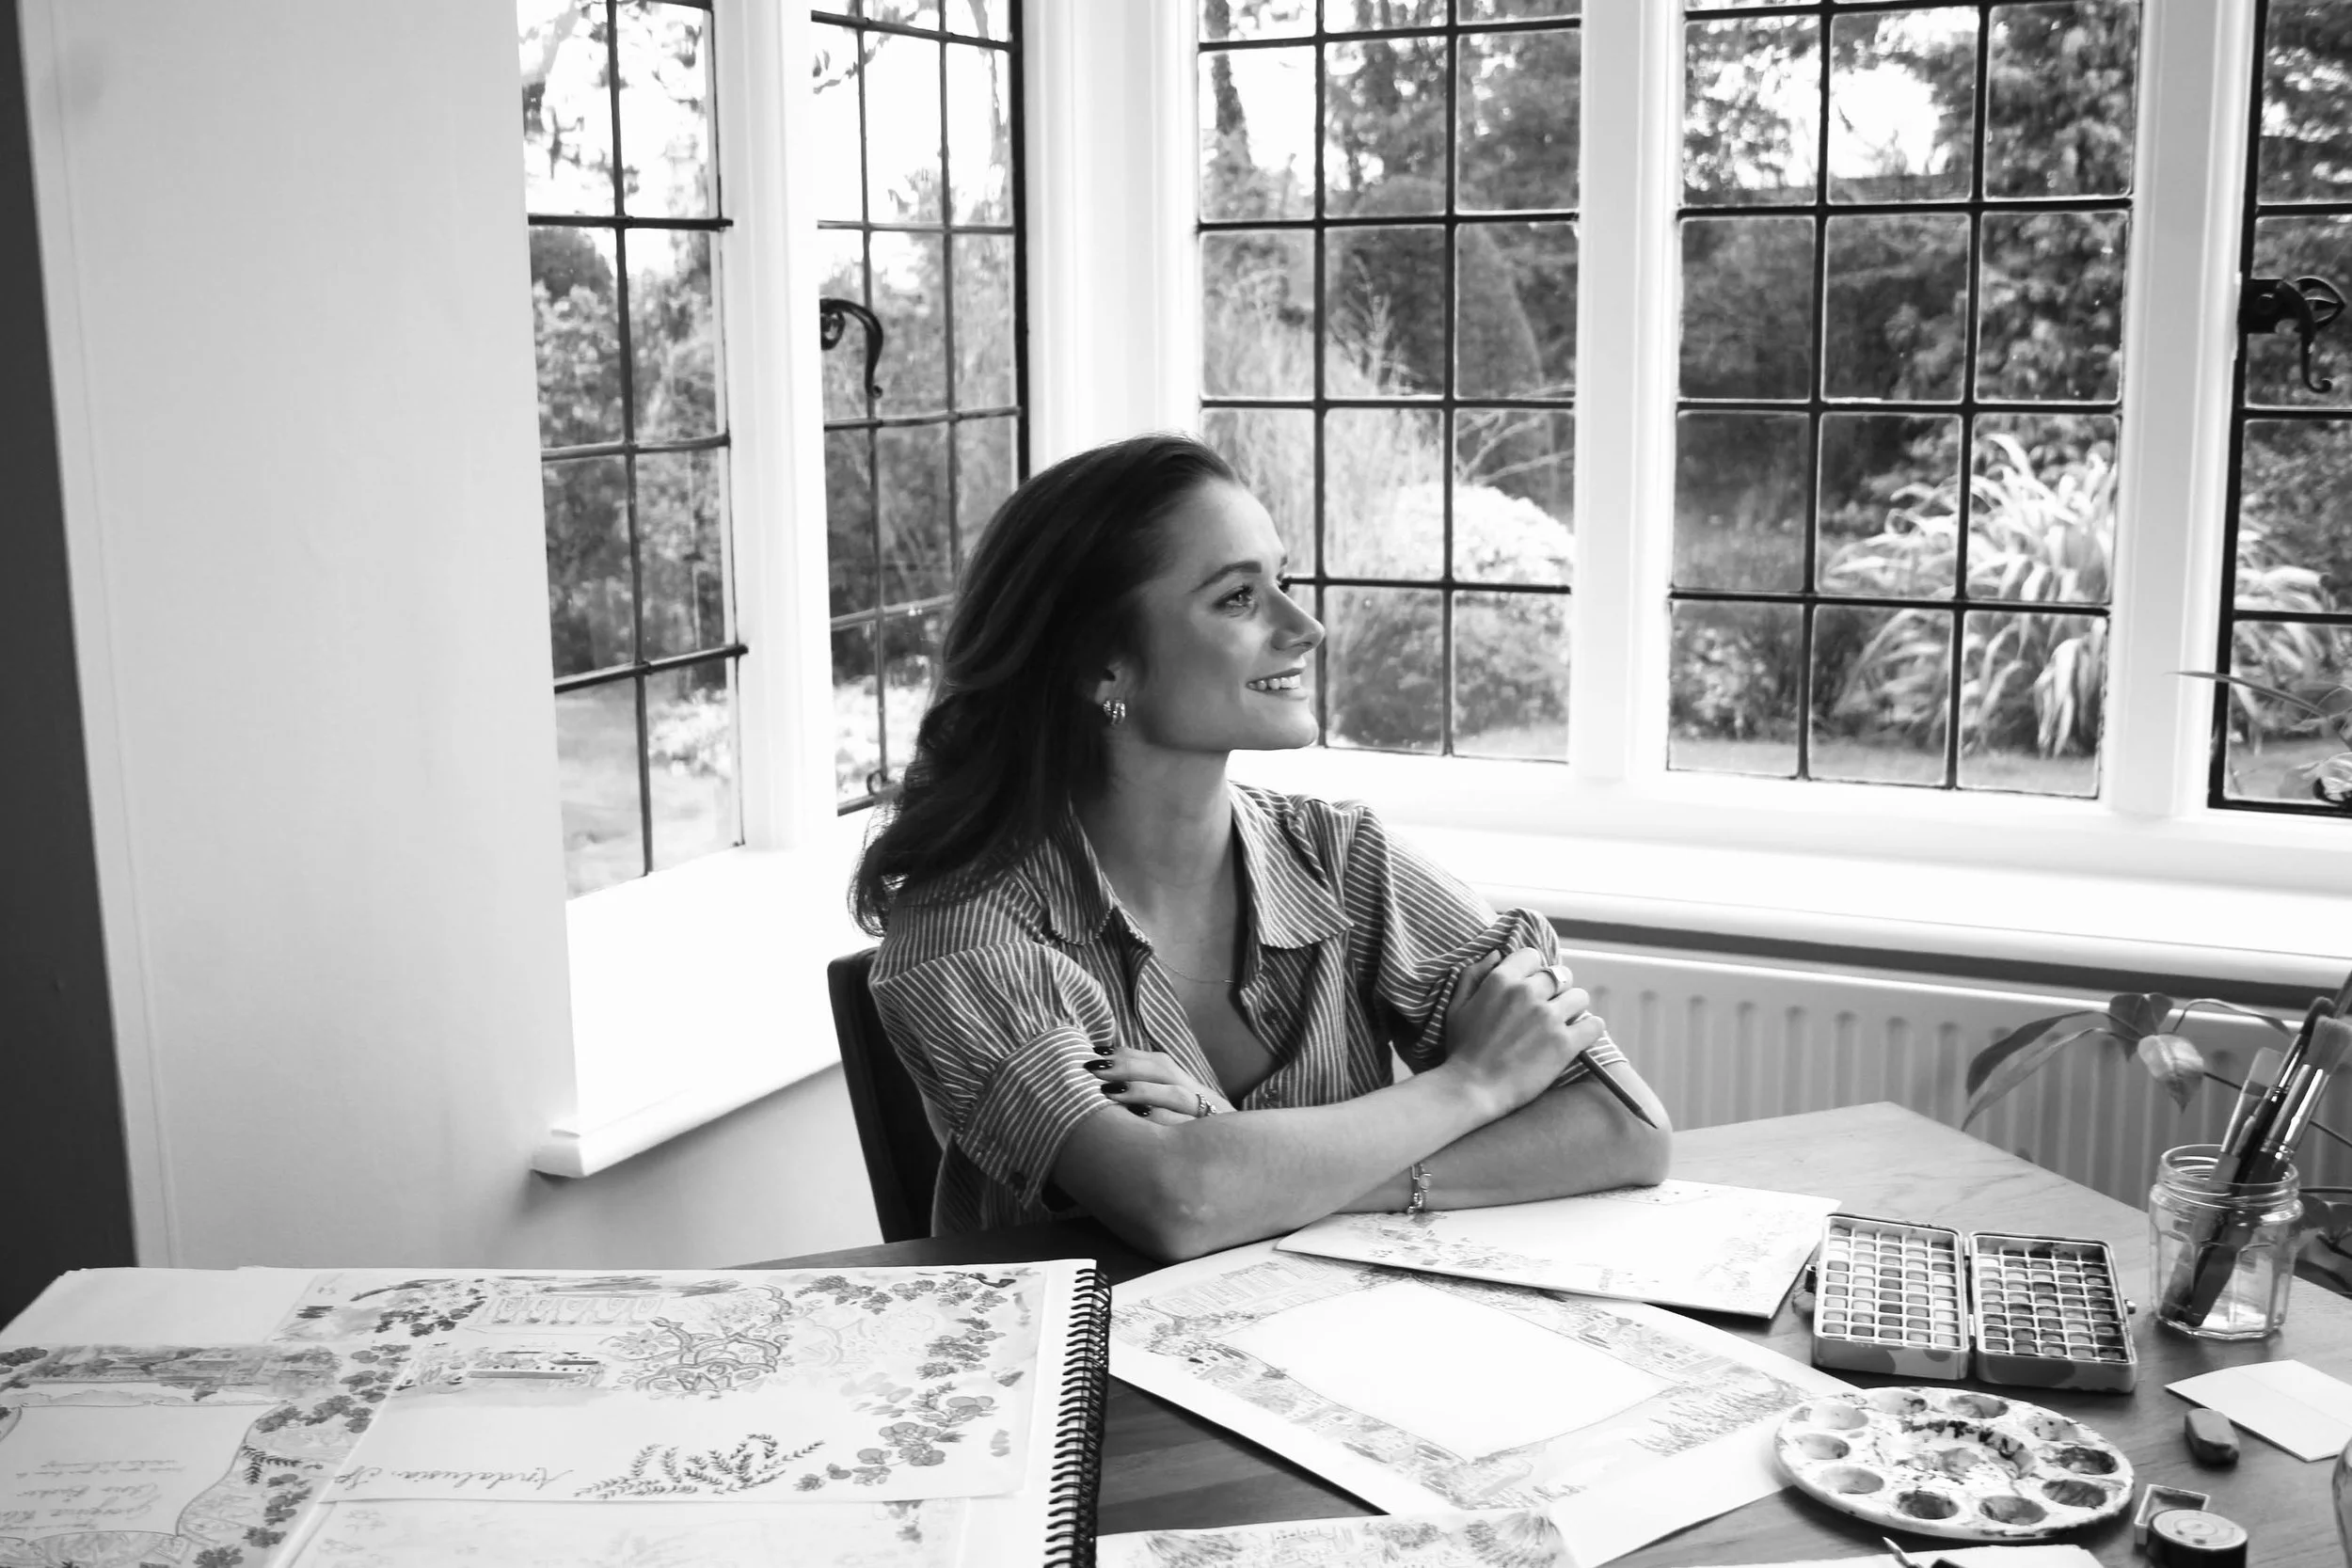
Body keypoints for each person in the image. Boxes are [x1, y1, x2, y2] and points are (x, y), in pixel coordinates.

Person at [852, 434, 1670, 1259]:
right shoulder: (958, 934)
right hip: (1091, 1375)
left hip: (1334, 1351)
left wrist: (1256, 1157)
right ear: (1102, 663)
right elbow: (1184, 1201)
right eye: (1239, 598)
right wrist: (1475, 1083)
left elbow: (1623, 1126)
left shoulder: (1348, 859)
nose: (1306, 626)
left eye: (1282, 581)